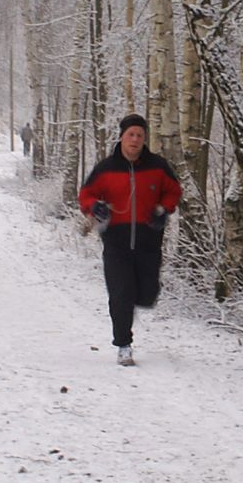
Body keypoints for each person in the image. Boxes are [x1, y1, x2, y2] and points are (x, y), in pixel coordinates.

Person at [78, 114, 182, 366]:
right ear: (122, 137)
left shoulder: (158, 166)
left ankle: (135, 300)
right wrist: (95, 206)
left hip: (149, 241)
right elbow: (86, 194)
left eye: (139, 135)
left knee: (147, 295)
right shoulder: (106, 168)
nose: (135, 139)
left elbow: (174, 191)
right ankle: (123, 344)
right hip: (116, 242)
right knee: (121, 293)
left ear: (144, 139)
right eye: (130, 134)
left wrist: (163, 209)